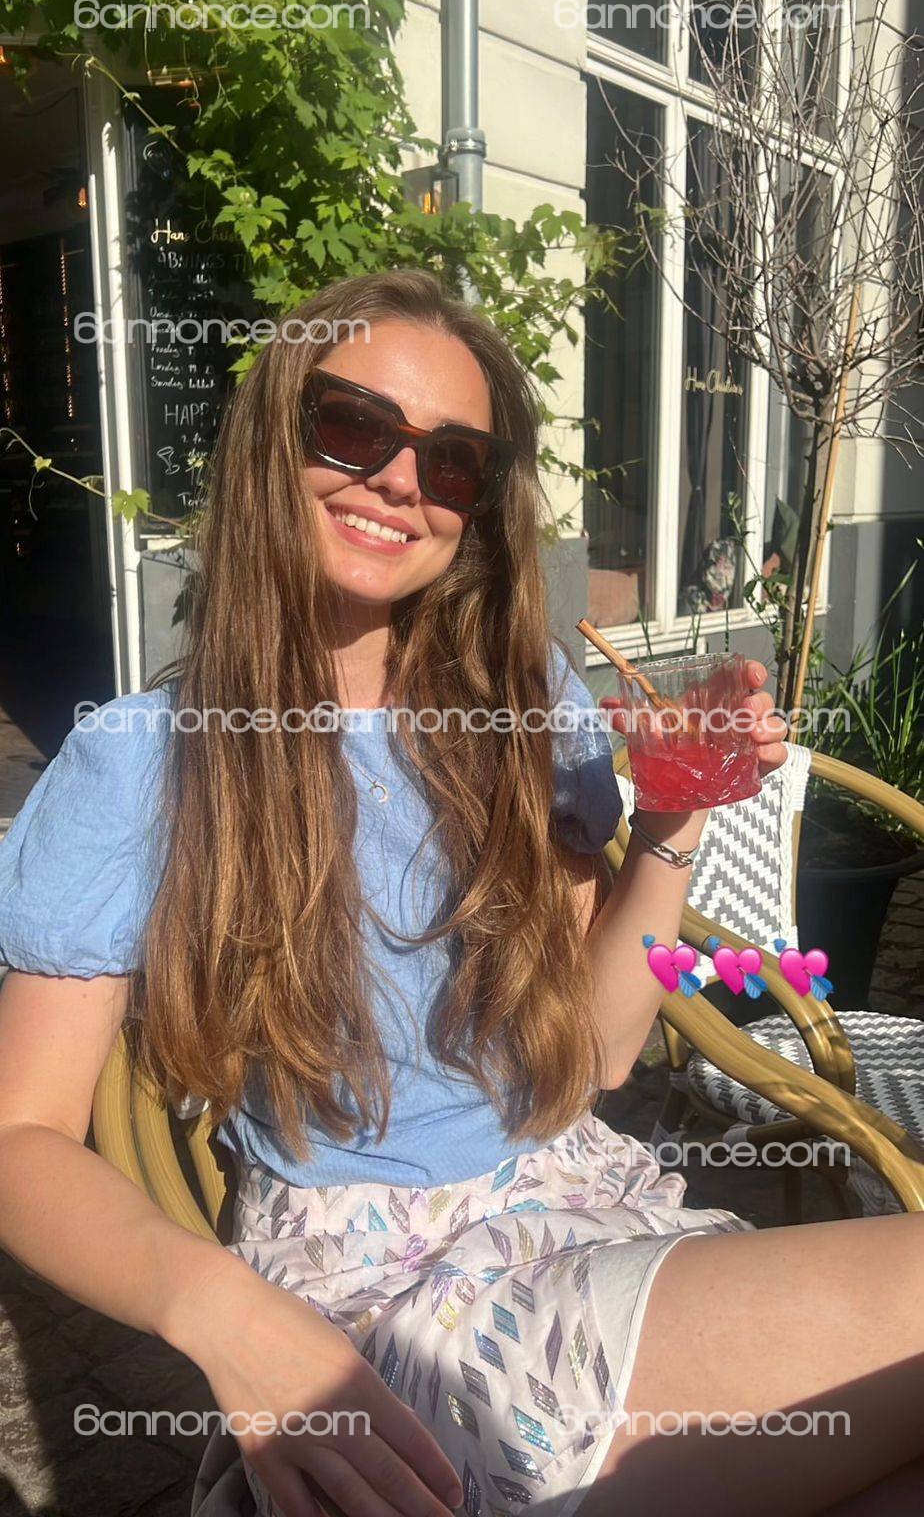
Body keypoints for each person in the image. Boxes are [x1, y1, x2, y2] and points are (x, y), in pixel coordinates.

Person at [0, 269, 920, 1517]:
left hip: (583, 1211)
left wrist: (672, 819)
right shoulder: (146, 757)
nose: (400, 480)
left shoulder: (520, 704)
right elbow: (20, 1137)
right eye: (354, 426)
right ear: (274, 435)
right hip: (382, 1300)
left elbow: (595, 1055)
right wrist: (223, 1314)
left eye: (451, 461)